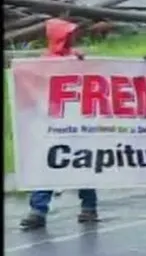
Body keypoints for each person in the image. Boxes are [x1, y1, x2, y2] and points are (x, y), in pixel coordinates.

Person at [19, 19, 99, 230]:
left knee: (82, 163)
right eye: (68, 34)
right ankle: (38, 210)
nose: (72, 37)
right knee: (47, 164)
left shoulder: (77, 59)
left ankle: (89, 206)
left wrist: (84, 63)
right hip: (52, 123)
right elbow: (31, 91)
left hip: (77, 121)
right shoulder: (43, 63)